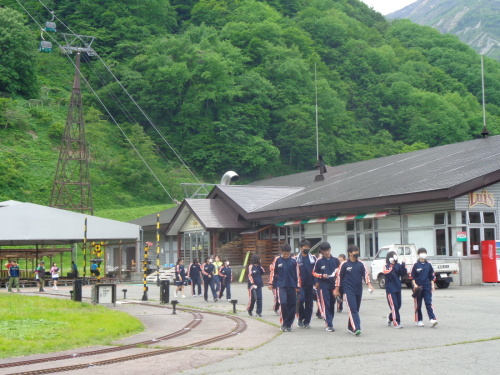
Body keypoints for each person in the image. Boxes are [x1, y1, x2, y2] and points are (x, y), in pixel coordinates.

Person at [334, 245, 373, 336]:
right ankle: (356, 328)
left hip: (358, 289)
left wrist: (370, 285)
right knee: (353, 309)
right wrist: (336, 290)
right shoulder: (344, 264)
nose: (356, 253)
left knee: (356, 309)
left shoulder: (361, 264)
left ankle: (350, 327)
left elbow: (366, 275)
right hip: (348, 290)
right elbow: (339, 277)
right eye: (355, 252)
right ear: (350, 253)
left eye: (357, 252)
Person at [269, 244, 298, 332]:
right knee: (283, 303)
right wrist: (271, 283)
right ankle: (284, 323)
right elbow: (273, 272)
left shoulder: (293, 261)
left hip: (292, 285)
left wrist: (297, 286)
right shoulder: (277, 260)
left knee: (292, 305)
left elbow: (297, 275)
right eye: (284, 253)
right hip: (281, 285)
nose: (286, 255)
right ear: (281, 252)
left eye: (287, 254)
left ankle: (289, 324)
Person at [312, 242, 340, 332]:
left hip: (333, 285)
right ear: (322, 251)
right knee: (326, 304)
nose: (327, 252)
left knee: (332, 303)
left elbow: (340, 272)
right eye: (325, 251)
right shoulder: (319, 261)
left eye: (328, 250)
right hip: (323, 285)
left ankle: (330, 319)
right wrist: (320, 276)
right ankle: (329, 324)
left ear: (330, 249)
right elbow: (314, 273)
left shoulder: (335, 260)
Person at [410, 248, 438, 327]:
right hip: (418, 288)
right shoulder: (415, 265)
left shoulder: (429, 265)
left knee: (428, 303)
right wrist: (415, 285)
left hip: (427, 286)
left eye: (424, 253)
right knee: (418, 305)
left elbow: (431, 276)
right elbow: (412, 277)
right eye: (422, 253)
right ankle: (419, 320)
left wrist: (432, 285)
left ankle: (432, 319)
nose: (423, 254)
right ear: (418, 254)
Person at [296, 239, 317, 329]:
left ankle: (307, 321)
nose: (307, 248)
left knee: (309, 304)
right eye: (305, 247)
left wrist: (316, 282)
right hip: (300, 284)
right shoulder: (296, 259)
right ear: (301, 248)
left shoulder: (313, 258)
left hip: (310, 284)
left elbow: (316, 270)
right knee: (301, 301)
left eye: (308, 247)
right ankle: (301, 318)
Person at [384, 250, 407, 328]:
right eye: (393, 255)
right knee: (394, 306)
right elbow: (387, 273)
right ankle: (396, 322)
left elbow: (403, 272)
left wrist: (403, 264)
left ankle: (390, 317)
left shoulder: (398, 265)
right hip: (390, 289)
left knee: (398, 305)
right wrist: (391, 265)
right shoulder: (386, 266)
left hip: (397, 287)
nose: (395, 257)